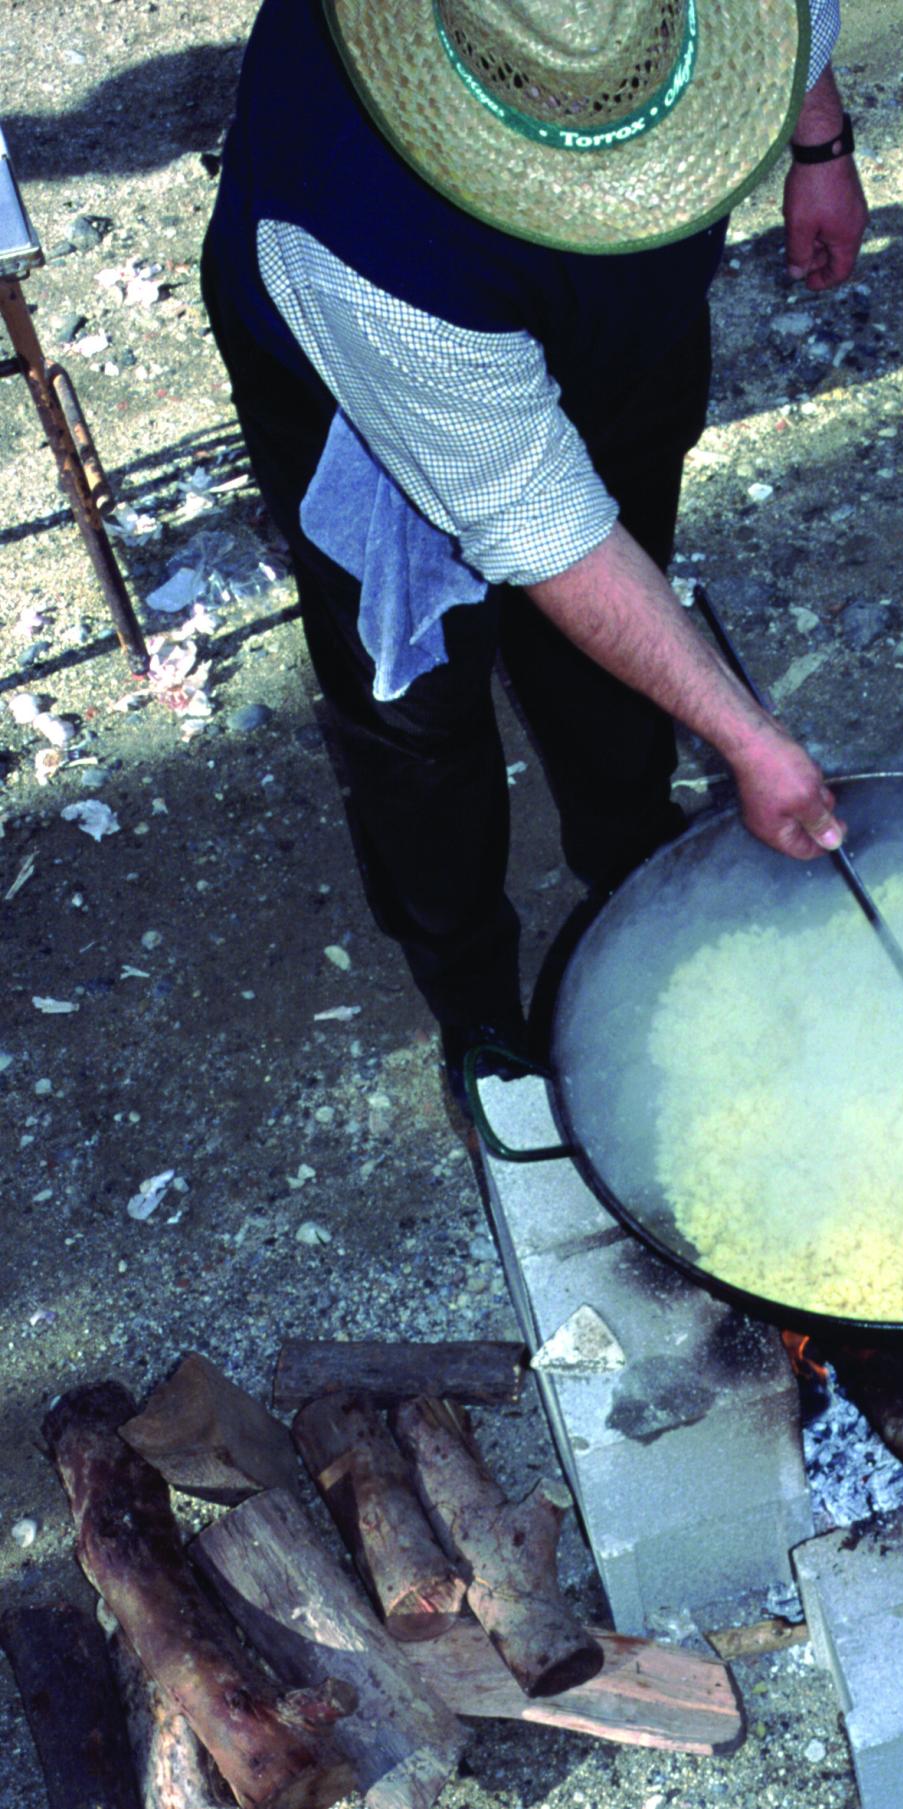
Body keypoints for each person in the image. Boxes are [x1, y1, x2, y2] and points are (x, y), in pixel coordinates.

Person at [200, 0, 868, 1100]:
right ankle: (472, 998)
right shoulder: (354, 220)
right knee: (416, 709)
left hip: (621, 331)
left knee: (624, 599)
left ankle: (632, 858)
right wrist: (748, 739)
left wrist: (816, 143)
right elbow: (543, 527)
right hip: (380, 392)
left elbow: (796, 17)